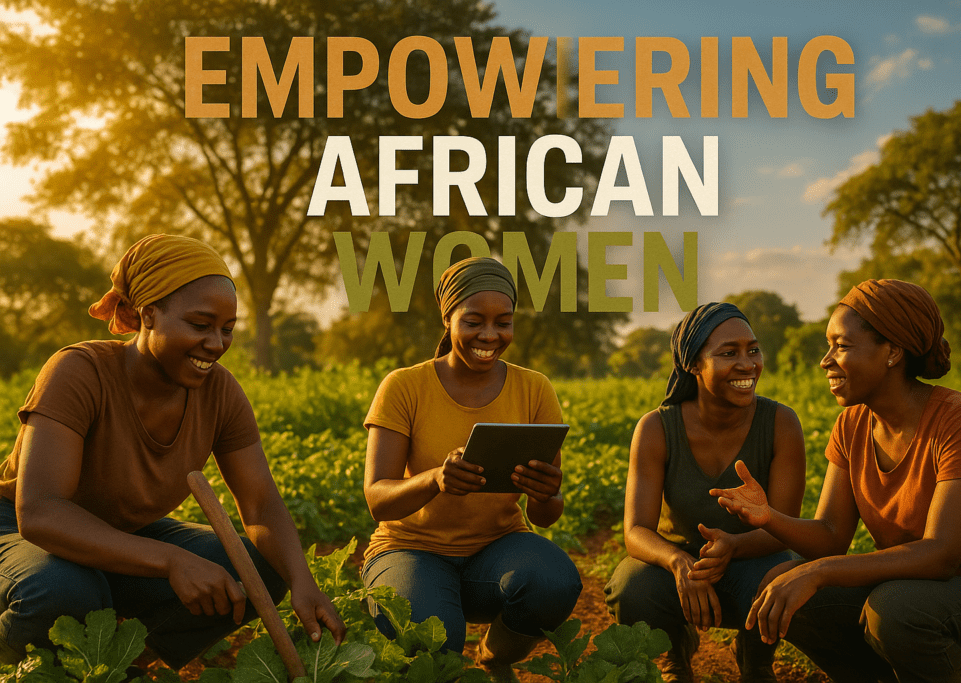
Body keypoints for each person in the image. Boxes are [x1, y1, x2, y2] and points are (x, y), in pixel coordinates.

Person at [0, 234, 344, 668]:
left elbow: (259, 502)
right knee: (63, 590)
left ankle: (128, 667)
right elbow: (42, 512)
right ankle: (26, 665)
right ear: (149, 315)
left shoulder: (220, 392)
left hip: (124, 536)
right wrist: (171, 560)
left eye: (227, 329)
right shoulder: (79, 372)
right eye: (200, 325)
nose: (217, 344)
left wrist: (302, 581)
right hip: (15, 530)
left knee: (260, 569)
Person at [713, 279, 961, 683]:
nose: (826, 360)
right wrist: (768, 516)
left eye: (841, 346)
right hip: (922, 592)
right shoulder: (852, 425)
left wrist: (819, 571)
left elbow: (941, 553)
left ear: (892, 351)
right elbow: (830, 534)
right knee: (785, 583)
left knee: (895, 609)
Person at [361, 257, 582, 681]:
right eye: (474, 321)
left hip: (497, 547)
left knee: (554, 582)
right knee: (433, 639)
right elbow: (377, 500)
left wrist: (545, 493)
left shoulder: (534, 388)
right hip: (410, 548)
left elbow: (545, 516)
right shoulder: (404, 385)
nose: (490, 335)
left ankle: (495, 658)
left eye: (504, 322)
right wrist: (435, 479)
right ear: (449, 320)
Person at [603, 303, 806, 683]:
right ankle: (673, 655)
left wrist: (733, 545)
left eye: (753, 350)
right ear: (693, 365)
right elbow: (636, 531)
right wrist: (679, 563)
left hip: (752, 561)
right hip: (681, 562)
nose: (747, 364)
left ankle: (756, 658)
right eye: (729, 353)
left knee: (785, 575)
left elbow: (783, 527)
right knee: (631, 588)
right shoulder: (656, 429)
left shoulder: (780, 423)